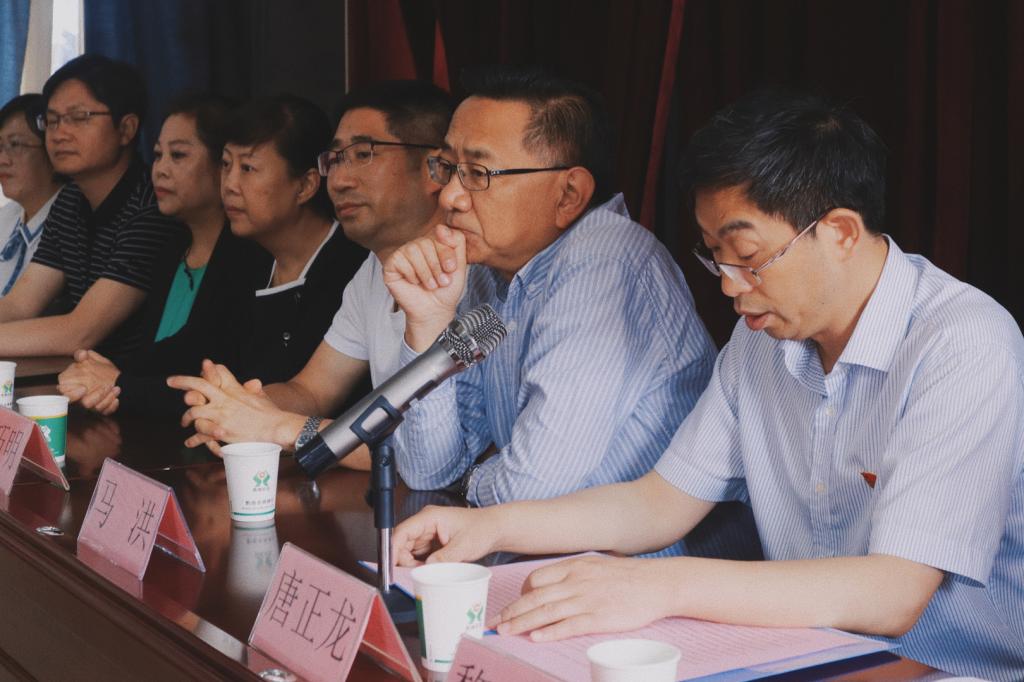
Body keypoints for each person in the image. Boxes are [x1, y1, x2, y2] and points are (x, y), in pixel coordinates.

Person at [391, 91, 1024, 680]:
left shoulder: (960, 342)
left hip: (946, 668)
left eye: (747, 257)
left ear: (839, 232)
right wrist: (492, 528)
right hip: (809, 654)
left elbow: (894, 593)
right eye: (714, 255)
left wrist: (658, 586)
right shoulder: (760, 341)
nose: (727, 284)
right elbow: (659, 503)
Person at [382, 67, 717, 510]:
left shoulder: (604, 260)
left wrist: (468, 481)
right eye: (447, 167)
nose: (449, 197)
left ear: (568, 194)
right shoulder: (484, 271)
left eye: (478, 173)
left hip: (648, 552)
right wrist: (428, 324)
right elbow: (427, 470)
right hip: (531, 544)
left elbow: (530, 490)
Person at [168, 81, 453, 466]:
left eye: (364, 154)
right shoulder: (373, 269)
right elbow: (311, 391)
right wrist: (234, 405)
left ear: (436, 168)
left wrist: (280, 428)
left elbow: (426, 456)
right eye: (335, 159)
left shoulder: (473, 274)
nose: (340, 180)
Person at [57, 92, 269, 416]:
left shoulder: (248, 256)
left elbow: (201, 359)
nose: (160, 170)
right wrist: (103, 376)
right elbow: (154, 358)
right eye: (157, 155)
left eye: (178, 155)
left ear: (221, 166)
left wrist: (115, 380)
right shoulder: (170, 248)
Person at [0, 54, 185, 359]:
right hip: (77, 374)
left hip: (133, 380)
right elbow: (21, 304)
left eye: (79, 117)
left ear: (126, 129)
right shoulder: (69, 201)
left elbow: (80, 332)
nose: (60, 133)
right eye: (53, 120)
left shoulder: (151, 207)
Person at [0, 94, 63, 296]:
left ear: (53, 151)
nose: (2, 160)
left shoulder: (71, 229)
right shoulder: (5, 217)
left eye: (16, 145)